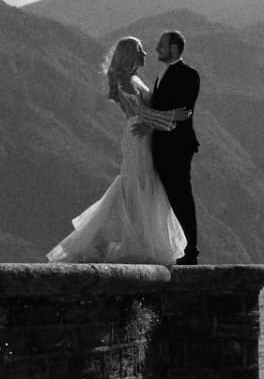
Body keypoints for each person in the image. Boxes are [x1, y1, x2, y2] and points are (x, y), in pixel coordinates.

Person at [46, 37, 192, 264]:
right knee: (136, 183)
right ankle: (121, 240)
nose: (145, 54)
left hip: (143, 135)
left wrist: (167, 118)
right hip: (138, 137)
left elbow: (146, 115)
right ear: (131, 55)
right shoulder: (127, 82)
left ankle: (127, 238)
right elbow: (141, 113)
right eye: (141, 50)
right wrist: (173, 116)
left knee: (138, 184)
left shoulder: (131, 79)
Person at [146, 30, 201, 265]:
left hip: (178, 146)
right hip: (160, 146)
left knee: (181, 198)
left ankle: (189, 253)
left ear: (175, 49)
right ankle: (174, 249)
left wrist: (154, 116)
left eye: (162, 46)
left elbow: (184, 112)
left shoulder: (189, 75)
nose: (157, 49)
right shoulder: (160, 75)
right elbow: (171, 112)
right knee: (168, 199)